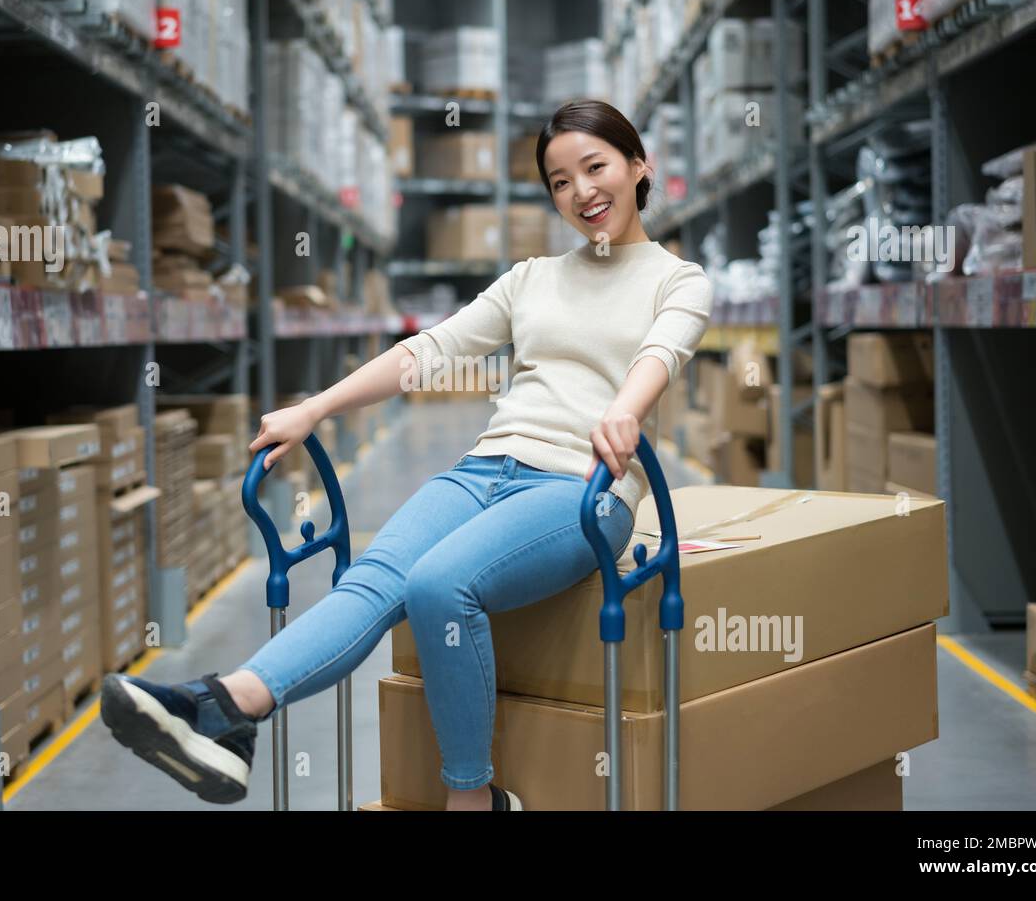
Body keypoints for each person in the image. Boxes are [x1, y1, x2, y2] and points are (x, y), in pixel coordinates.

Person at [100, 99, 713, 811]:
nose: (581, 191)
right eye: (559, 181)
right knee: (373, 580)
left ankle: (471, 798)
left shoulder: (679, 279)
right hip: (486, 469)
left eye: (595, 167)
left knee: (438, 585)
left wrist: (624, 409)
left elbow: (659, 352)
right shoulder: (533, 278)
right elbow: (429, 351)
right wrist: (315, 407)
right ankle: (227, 709)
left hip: (584, 488)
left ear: (640, 166)